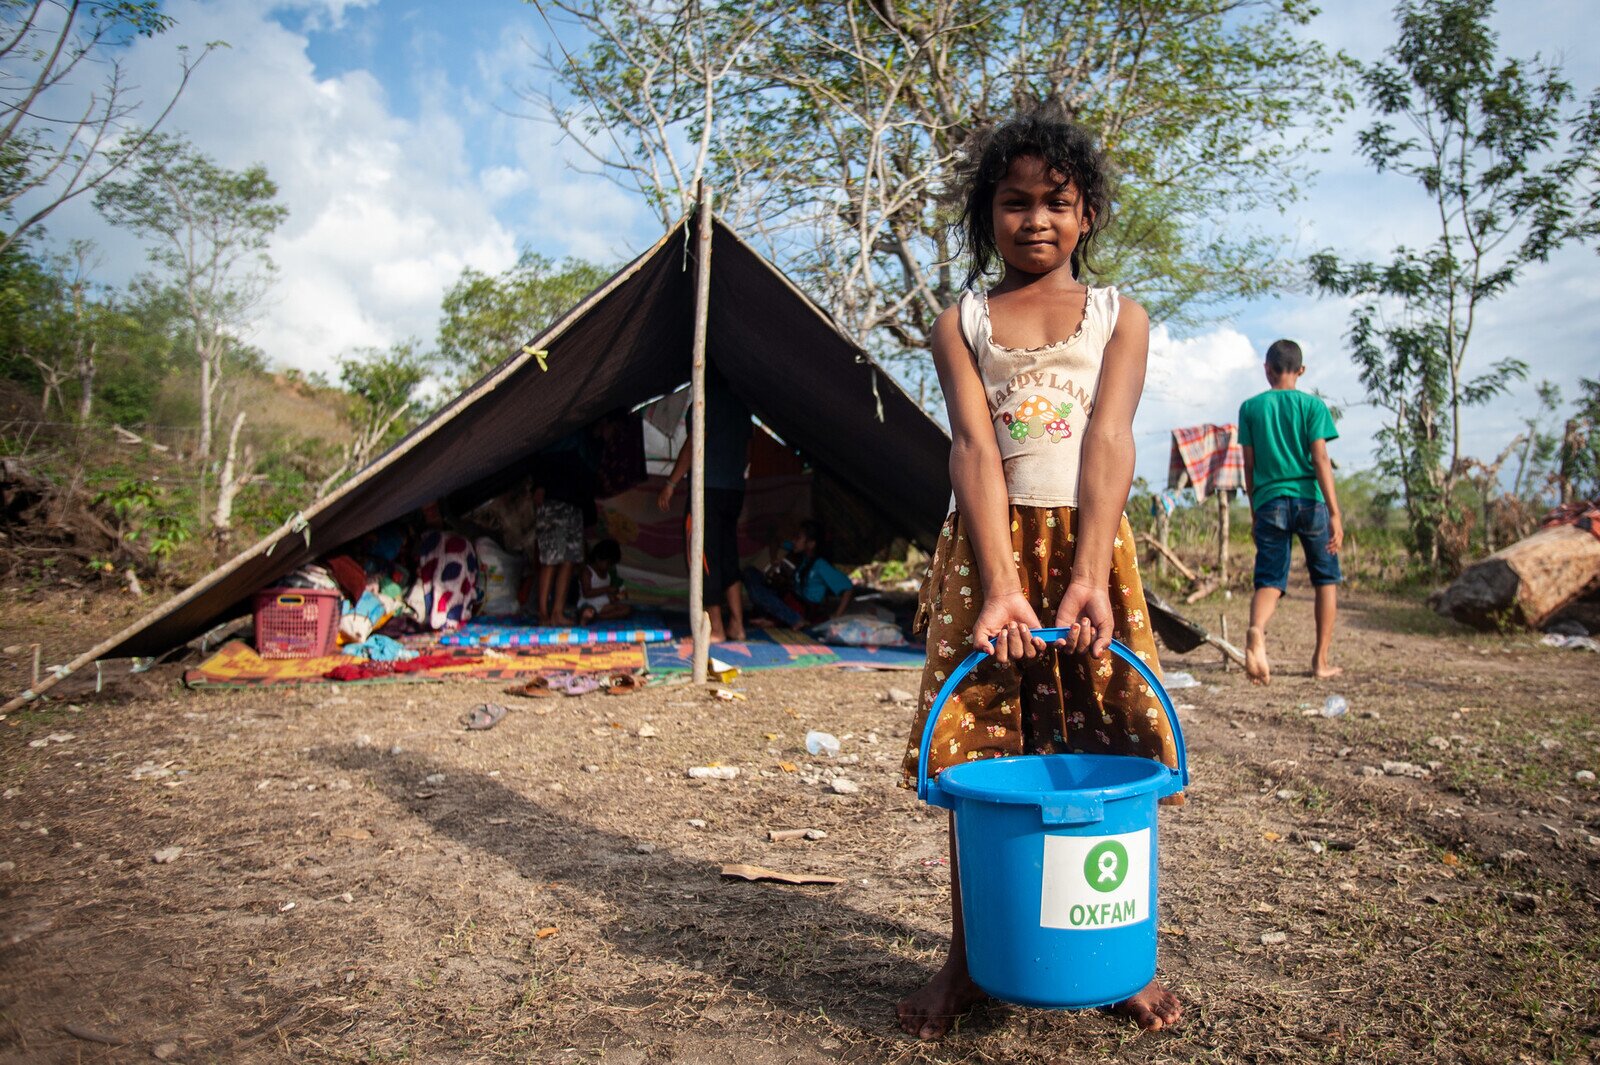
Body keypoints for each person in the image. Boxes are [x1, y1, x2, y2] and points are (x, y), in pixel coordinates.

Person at [897, 105, 1182, 1039]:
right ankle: (969, 955)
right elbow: (975, 451)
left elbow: (1108, 439)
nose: (1035, 221)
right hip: (990, 557)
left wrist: (1088, 572)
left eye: (1056, 202)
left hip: (1091, 552)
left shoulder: (1119, 316)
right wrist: (1004, 583)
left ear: (1087, 211)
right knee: (982, 751)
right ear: (988, 217)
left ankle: (1119, 954)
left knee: (1104, 734)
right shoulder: (963, 323)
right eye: (1013, 203)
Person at [1237, 339, 1343, 684]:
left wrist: (1255, 509)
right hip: (1310, 501)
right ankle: (1320, 660)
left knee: (1270, 577)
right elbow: (1320, 458)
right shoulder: (1313, 407)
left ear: (1267, 369)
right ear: (1301, 370)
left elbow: (1248, 466)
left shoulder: (1251, 408)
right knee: (1325, 579)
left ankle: (1256, 630)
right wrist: (1335, 513)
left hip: (1269, 500)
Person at [657, 366, 752, 641]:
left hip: (707, 490)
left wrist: (671, 483)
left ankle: (716, 630)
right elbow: (748, 453)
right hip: (734, 489)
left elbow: (695, 444)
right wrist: (730, 472)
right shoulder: (741, 407)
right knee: (727, 554)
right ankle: (738, 625)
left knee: (703, 556)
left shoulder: (704, 403)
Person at [531, 432, 599, 626]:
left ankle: (557, 613)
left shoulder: (590, 443)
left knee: (570, 559)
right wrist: (540, 484)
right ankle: (543, 613)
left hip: (575, 505)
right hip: (554, 500)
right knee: (551, 559)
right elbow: (541, 457)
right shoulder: (563, 433)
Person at [743, 519, 855, 627]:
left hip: (802, 607)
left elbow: (848, 588)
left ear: (811, 544)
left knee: (760, 595)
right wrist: (773, 560)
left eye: (798, 538)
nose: (793, 541)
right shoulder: (801, 554)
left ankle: (790, 619)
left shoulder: (821, 565)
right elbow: (775, 539)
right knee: (750, 573)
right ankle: (774, 618)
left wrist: (836, 616)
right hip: (789, 601)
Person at [576, 539, 632, 623]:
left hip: (604, 605)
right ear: (598, 558)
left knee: (627, 609)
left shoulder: (608, 573)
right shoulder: (587, 572)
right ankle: (590, 617)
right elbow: (587, 593)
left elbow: (610, 594)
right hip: (589, 604)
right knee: (588, 612)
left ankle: (599, 617)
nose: (610, 566)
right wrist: (606, 589)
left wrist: (614, 596)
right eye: (608, 563)